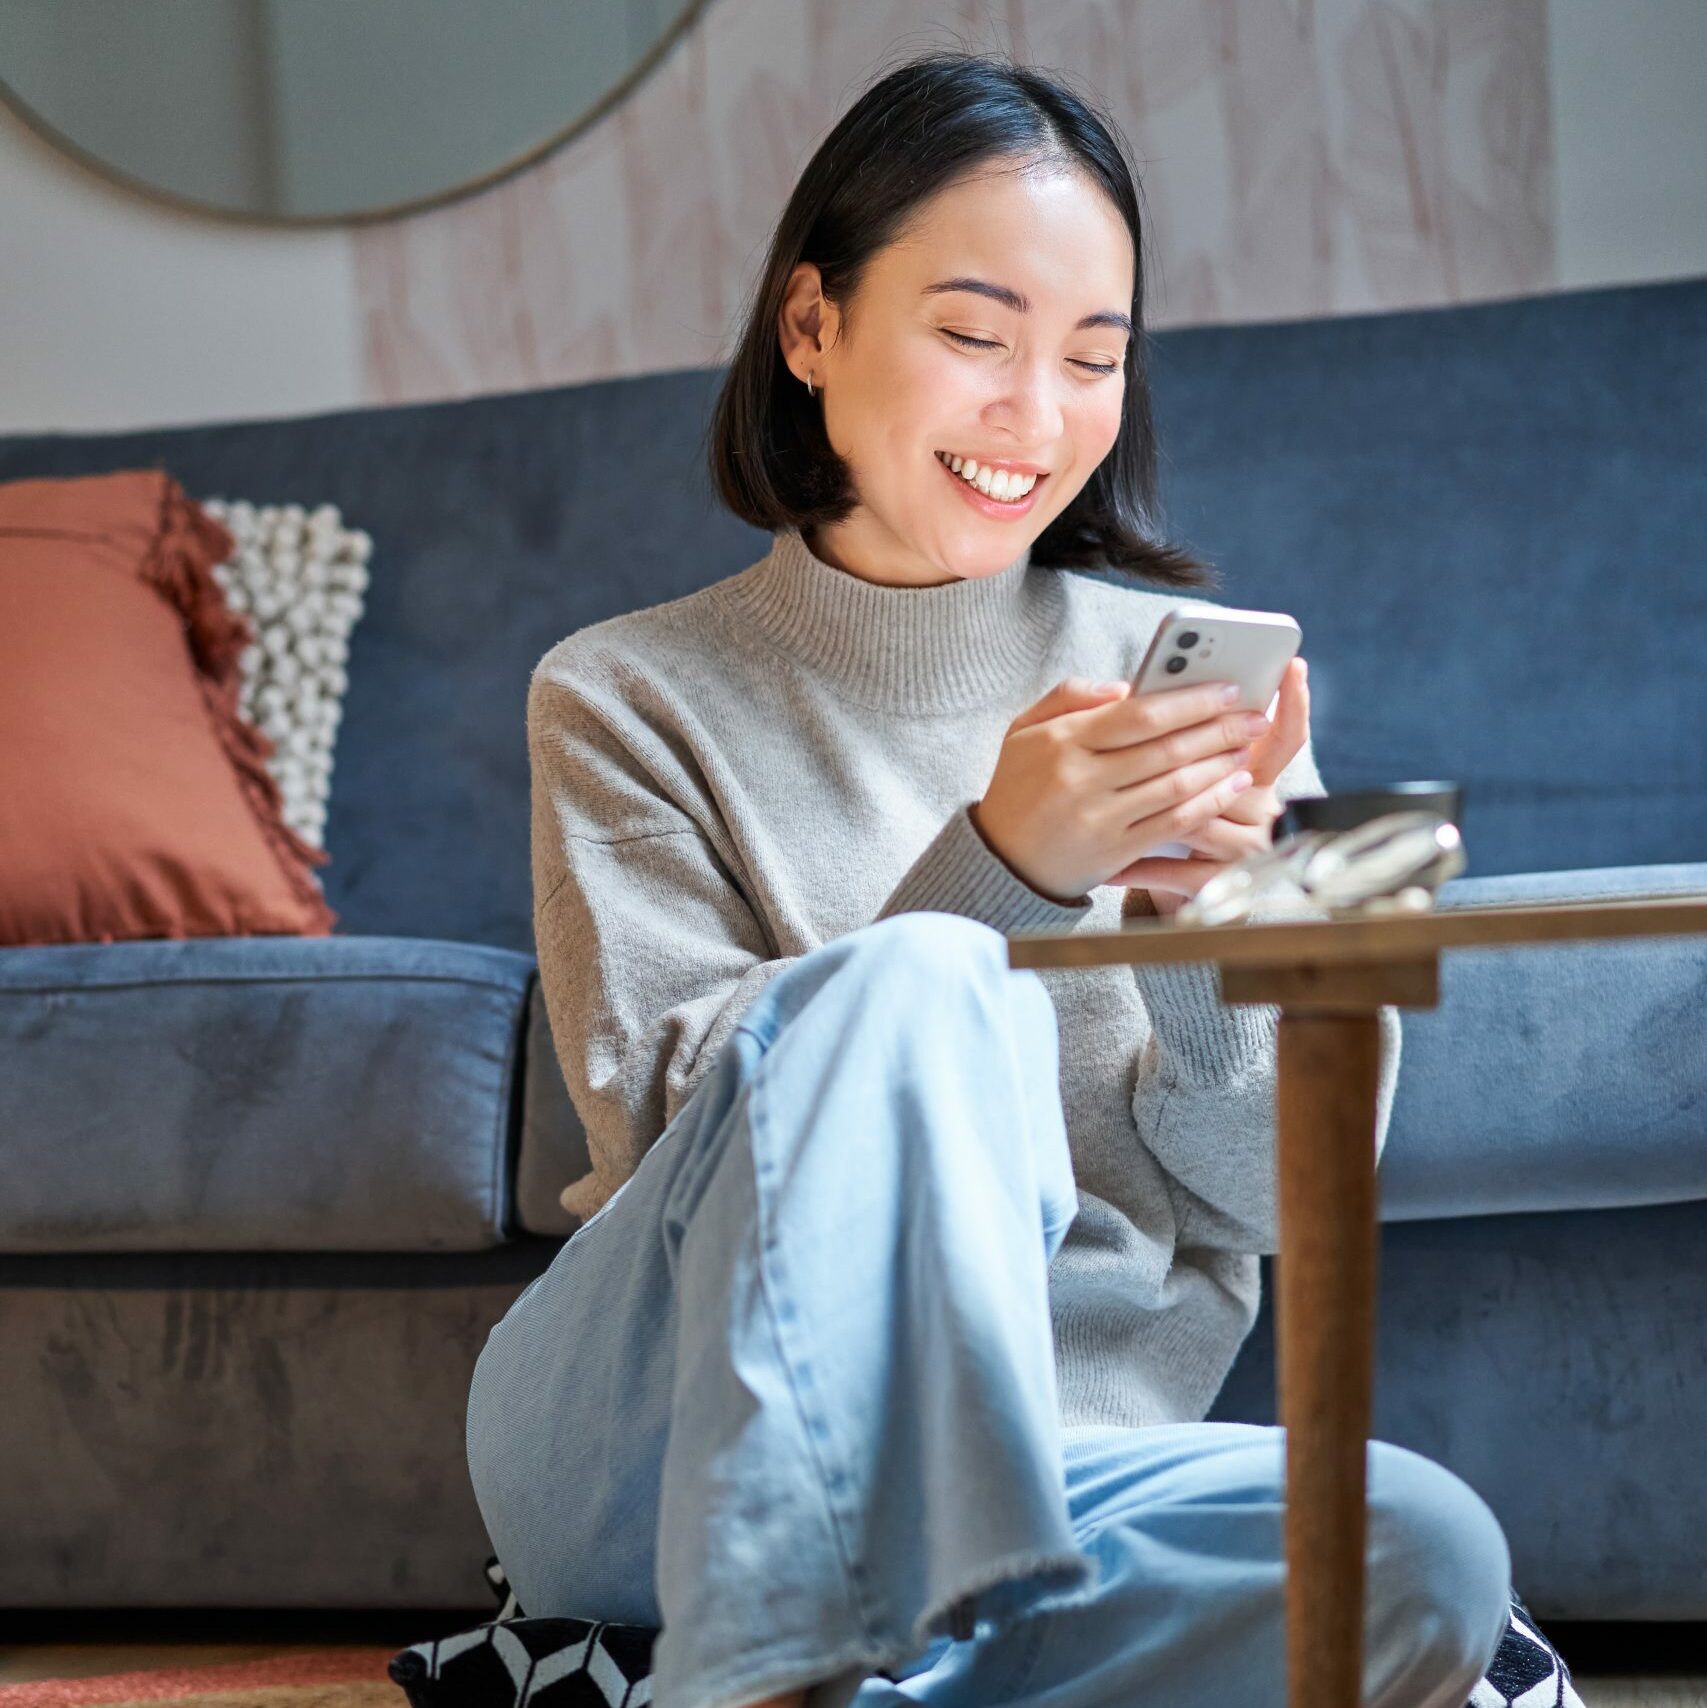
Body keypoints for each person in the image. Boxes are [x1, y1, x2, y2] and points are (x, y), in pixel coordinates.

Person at [466, 49, 1513, 1708]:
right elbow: (667, 1130)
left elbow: (1301, 1202)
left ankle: (868, 1665)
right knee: (920, 980)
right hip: (658, 1439)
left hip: (1072, 1465)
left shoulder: (1230, 700)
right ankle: (776, 1651)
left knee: (1427, 1550)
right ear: (812, 328)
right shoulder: (615, 689)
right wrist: (1001, 870)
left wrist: (1218, 928)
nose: (1039, 416)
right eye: (974, 336)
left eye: (1095, 358)